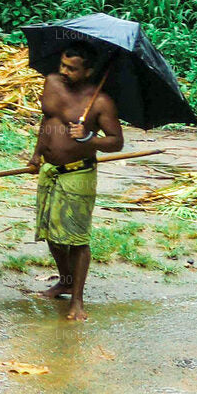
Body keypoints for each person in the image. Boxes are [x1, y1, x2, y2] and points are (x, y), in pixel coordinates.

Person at [28, 43, 124, 321]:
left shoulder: (101, 101)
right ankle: (65, 280)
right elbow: (47, 121)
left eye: (72, 68)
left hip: (78, 173)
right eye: (62, 65)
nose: (64, 71)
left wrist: (87, 137)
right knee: (51, 233)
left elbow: (116, 142)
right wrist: (36, 155)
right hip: (50, 170)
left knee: (76, 238)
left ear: (89, 71)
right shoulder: (52, 83)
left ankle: (78, 301)